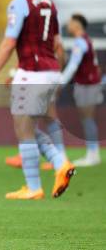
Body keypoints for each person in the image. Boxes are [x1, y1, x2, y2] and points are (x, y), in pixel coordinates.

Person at [0, 0, 75, 199]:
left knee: (23, 128)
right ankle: (59, 163)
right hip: (51, 70)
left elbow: (9, 42)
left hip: (32, 72)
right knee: (30, 127)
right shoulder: (49, 3)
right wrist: (58, 75)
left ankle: (35, 186)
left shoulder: (19, 4)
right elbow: (58, 46)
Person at [60, 14, 103, 166]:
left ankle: (93, 154)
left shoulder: (80, 42)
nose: (68, 25)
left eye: (71, 22)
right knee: (87, 119)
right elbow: (95, 64)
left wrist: (61, 82)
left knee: (87, 118)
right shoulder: (87, 40)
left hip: (86, 85)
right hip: (90, 83)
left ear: (77, 25)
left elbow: (73, 65)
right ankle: (93, 152)